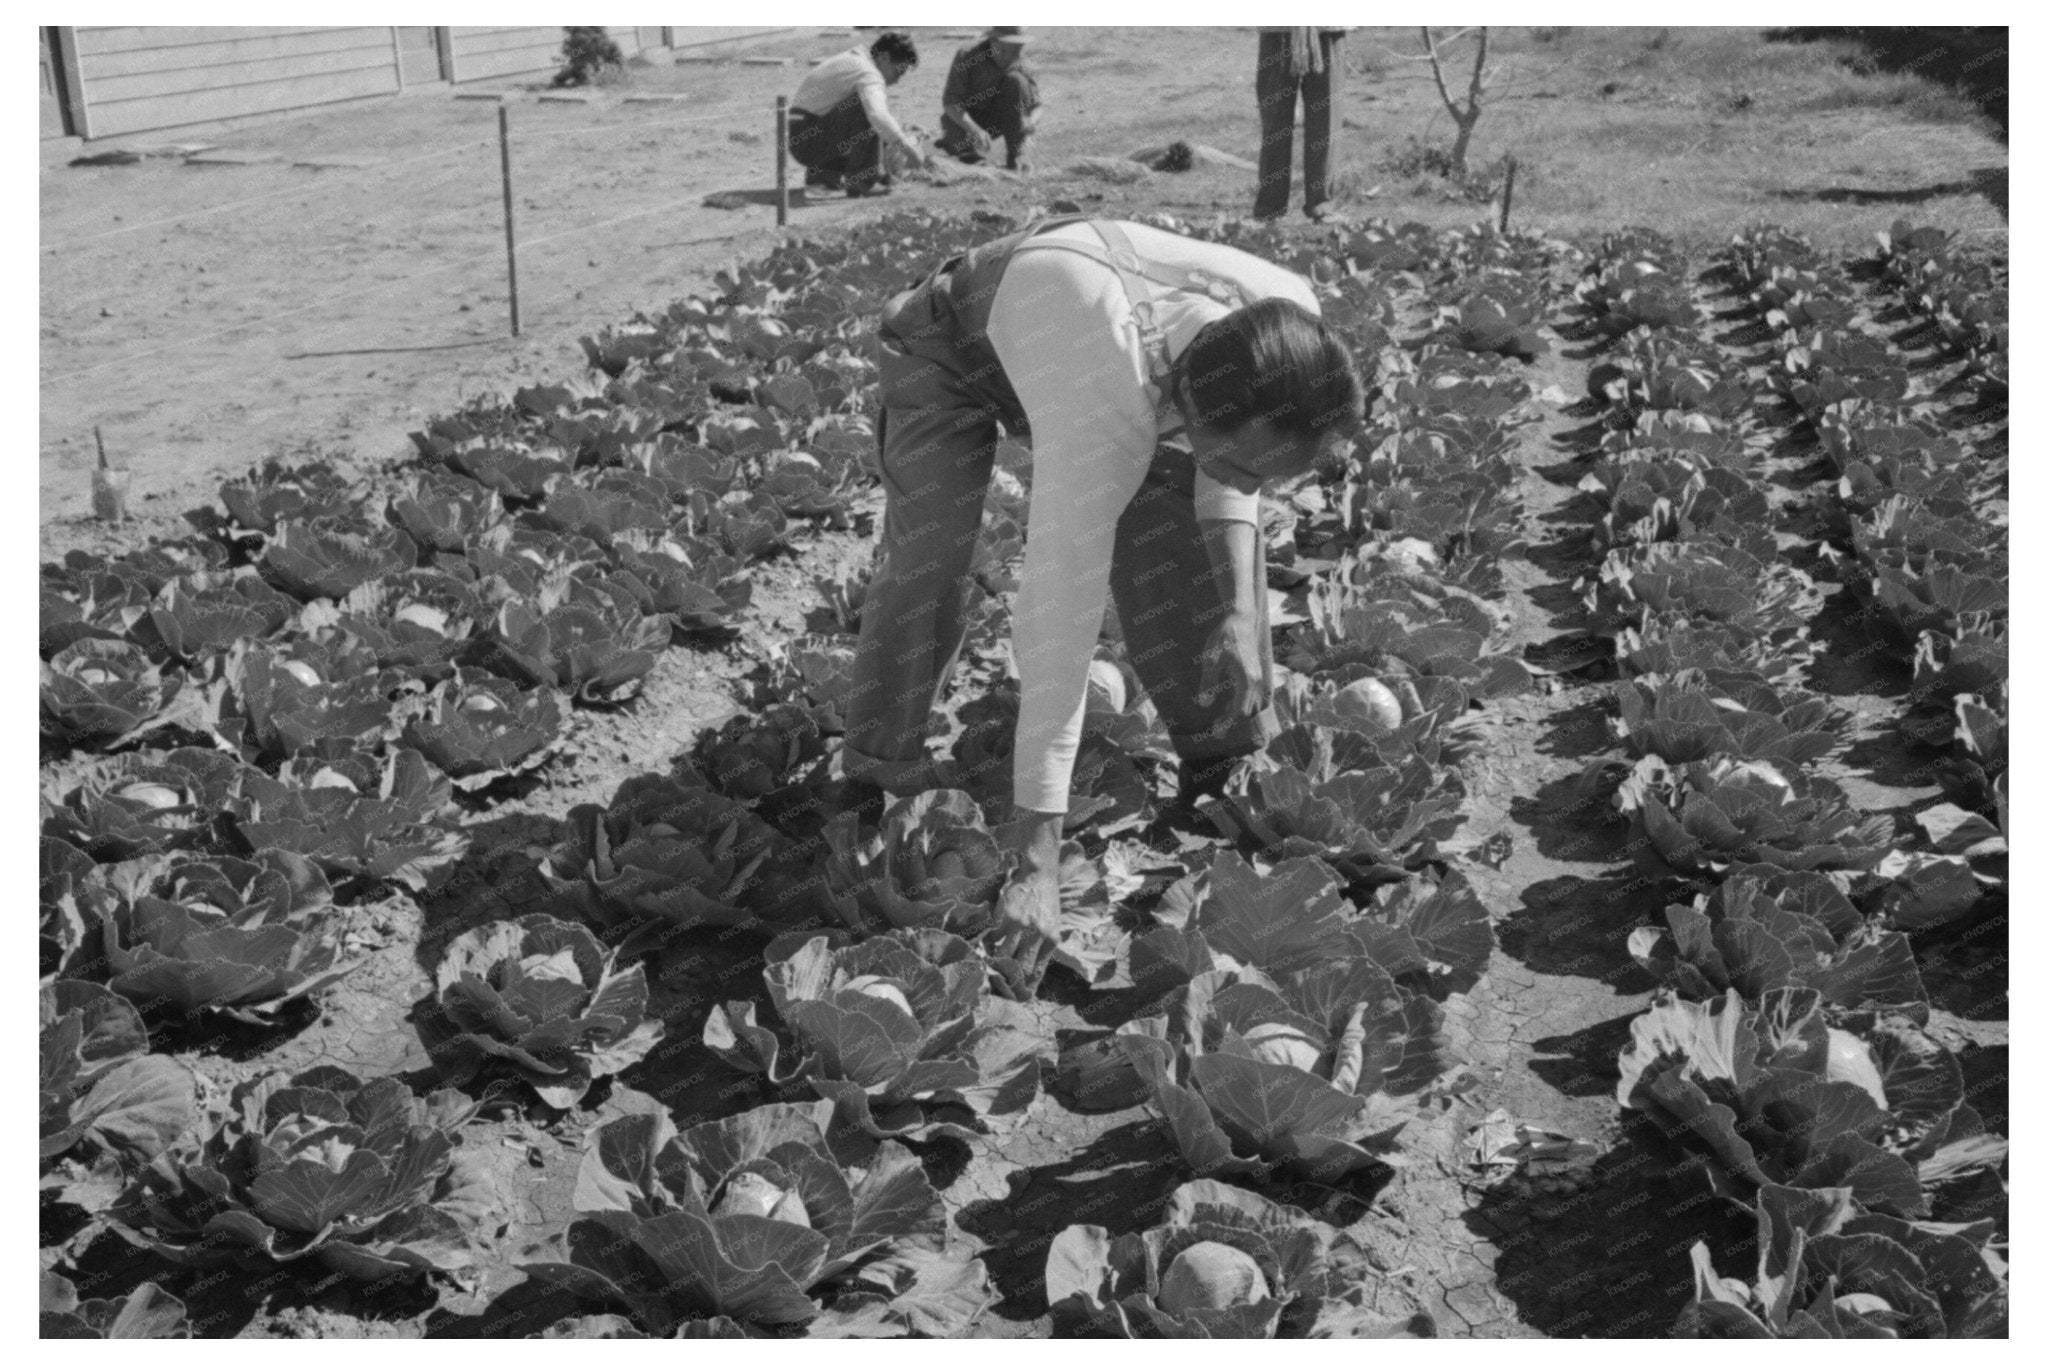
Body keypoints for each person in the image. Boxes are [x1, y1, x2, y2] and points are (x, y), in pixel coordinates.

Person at [841, 216, 1363, 979]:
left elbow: (1233, 476)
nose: (1253, 487)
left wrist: (1246, 616)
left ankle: (1219, 756)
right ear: (1188, 408)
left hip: (1099, 347)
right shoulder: (1106, 405)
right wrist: (1035, 861)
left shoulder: (1288, 329)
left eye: (1265, 475)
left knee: (1187, 528)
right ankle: (874, 770)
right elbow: (1058, 621)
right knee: (932, 556)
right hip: (951, 346)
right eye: (1241, 464)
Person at [788, 31, 930, 196]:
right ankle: (863, 182)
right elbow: (877, 116)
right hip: (807, 140)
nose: (897, 80)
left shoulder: (857, 61)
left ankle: (824, 174)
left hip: (806, 138)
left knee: (879, 127)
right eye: (898, 72)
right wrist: (909, 151)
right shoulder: (867, 72)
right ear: (884, 57)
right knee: (868, 110)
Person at [1254, 27, 1348, 221]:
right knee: (1275, 120)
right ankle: (1270, 207)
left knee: (1326, 118)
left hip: (1328, 26)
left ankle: (1322, 205)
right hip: (1277, 26)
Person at [937, 26, 1040, 172]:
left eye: (1015, 52)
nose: (1008, 57)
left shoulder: (1020, 62)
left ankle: (1016, 156)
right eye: (1003, 51)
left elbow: (1036, 105)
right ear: (992, 41)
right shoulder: (967, 55)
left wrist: (1031, 121)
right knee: (965, 158)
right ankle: (965, 154)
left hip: (1001, 118)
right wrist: (975, 129)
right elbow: (950, 103)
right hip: (965, 119)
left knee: (1016, 81)